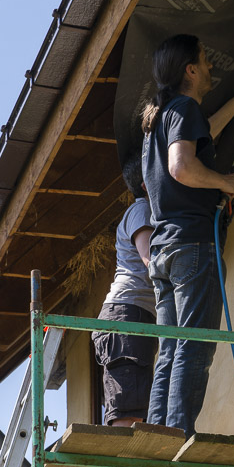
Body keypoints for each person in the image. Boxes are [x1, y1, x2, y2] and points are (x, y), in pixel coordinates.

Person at [141, 34, 234, 437]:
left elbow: (204, 131)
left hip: (164, 252)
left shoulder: (160, 120)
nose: (212, 67)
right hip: (193, 245)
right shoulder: (184, 108)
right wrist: (226, 184)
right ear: (190, 70)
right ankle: (178, 436)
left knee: (171, 351)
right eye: (206, 61)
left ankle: (160, 437)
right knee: (193, 347)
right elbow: (182, 167)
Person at [92, 156, 157, 426]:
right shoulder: (141, 209)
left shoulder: (147, 211)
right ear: (145, 184)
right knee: (128, 410)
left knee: (135, 404)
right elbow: (151, 260)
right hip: (127, 315)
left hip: (131, 315)